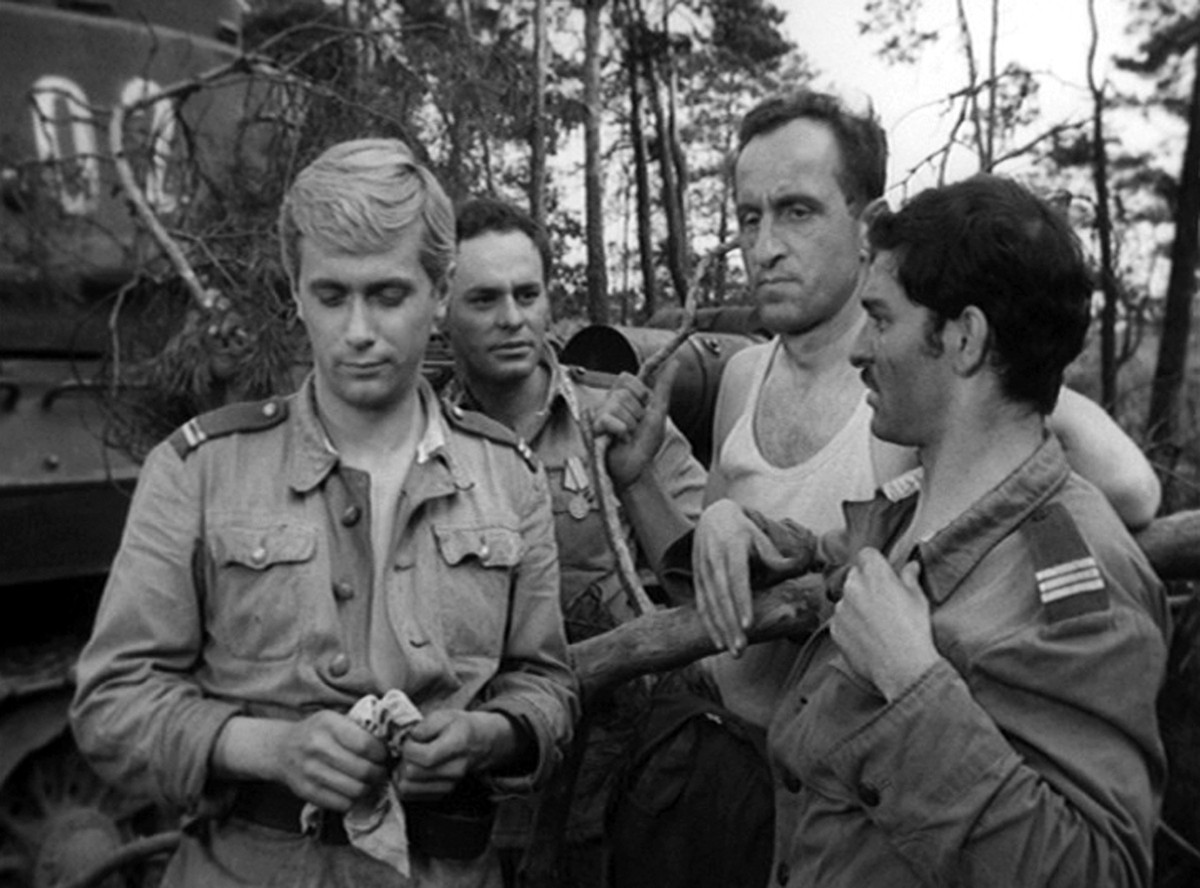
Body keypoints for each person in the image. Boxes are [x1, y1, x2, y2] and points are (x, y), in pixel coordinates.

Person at [69, 140, 577, 888]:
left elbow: (548, 686)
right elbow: (111, 705)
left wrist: (488, 735)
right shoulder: (200, 471)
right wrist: (265, 749)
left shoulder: (508, 477)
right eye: (332, 296)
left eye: (389, 295)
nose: (359, 330)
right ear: (297, 293)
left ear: (440, 293)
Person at [694, 174, 1170, 886]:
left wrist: (912, 682)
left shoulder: (1077, 586)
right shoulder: (915, 506)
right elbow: (842, 557)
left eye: (881, 320)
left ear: (964, 338)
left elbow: (1098, 873)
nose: (859, 350)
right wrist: (742, 527)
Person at [699, 89, 1163, 731]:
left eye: (797, 211)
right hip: (728, 740)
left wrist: (912, 673)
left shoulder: (919, 386)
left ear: (869, 224)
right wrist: (718, 518)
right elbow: (743, 583)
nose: (764, 247)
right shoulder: (742, 376)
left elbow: (1129, 488)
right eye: (749, 218)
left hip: (855, 754)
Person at [438, 197, 707, 886]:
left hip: (618, 792)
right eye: (484, 299)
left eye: (527, 295)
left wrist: (634, 476)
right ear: (441, 308)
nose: (512, 318)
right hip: (464, 795)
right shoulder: (419, 440)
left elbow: (704, 582)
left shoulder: (615, 416)